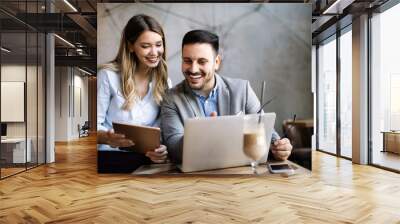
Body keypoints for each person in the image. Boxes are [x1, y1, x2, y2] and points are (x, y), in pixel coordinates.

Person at [161, 30, 292, 163]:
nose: (193, 69)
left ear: (216, 62)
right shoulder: (171, 98)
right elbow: (174, 149)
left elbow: (266, 134)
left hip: (239, 173)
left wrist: (280, 147)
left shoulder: (243, 90)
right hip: (193, 177)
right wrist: (202, 132)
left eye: (202, 61)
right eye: (187, 61)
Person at [97, 14, 171, 164]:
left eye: (158, 44)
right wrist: (107, 138)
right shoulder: (107, 76)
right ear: (130, 46)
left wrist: (161, 148)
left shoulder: (164, 82)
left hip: (145, 158)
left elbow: (162, 129)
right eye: (145, 46)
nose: (154, 52)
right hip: (109, 157)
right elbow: (92, 127)